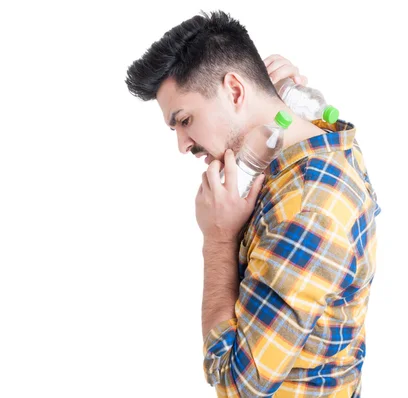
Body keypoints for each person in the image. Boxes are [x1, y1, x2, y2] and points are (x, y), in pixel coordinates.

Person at [125, 10, 380, 397]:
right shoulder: (311, 145)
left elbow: (236, 386)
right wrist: (288, 98)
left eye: (185, 120)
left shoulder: (306, 207)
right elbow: (287, 122)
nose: (182, 144)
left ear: (235, 91)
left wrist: (219, 241)